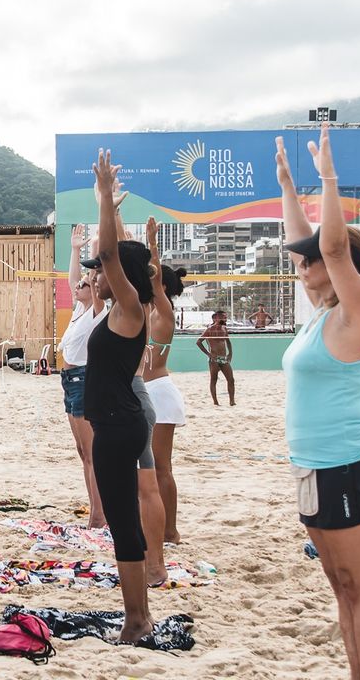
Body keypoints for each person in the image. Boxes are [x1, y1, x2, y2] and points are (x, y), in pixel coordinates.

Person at [277, 125, 360, 679]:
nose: (302, 268)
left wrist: (327, 178)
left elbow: (332, 245)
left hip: (346, 464)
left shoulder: (358, 314)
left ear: (342, 267)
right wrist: (286, 188)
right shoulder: (320, 316)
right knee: (340, 586)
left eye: (310, 262)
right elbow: (309, 243)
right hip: (313, 467)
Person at [82, 151, 157, 644]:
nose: (96, 275)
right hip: (113, 424)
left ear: (121, 278)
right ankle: (136, 613)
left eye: (101, 271)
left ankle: (137, 619)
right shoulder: (119, 309)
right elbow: (117, 253)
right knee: (121, 521)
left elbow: (114, 255)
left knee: (124, 524)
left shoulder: (129, 307)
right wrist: (108, 209)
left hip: (118, 425)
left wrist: (105, 197)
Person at [143, 218, 190, 546]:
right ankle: (159, 526)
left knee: (161, 467)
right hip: (148, 392)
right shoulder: (146, 311)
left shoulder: (164, 312)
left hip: (160, 391)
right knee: (148, 466)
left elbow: (155, 279)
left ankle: (171, 530)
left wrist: (152, 244)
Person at [58, 223, 107, 529]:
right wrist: (75, 250)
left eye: (86, 285)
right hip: (70, 381)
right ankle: (95, 509)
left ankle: (99, 515)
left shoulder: (97, 311)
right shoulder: (80, 308)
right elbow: (74, 279)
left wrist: (92, 256)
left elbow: (88, 279)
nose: (78, 287)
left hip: (83, 380)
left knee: (91, 453)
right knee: (82, 452)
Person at [196, 311, 235, 406]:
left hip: (223, 358)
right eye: (223, 317)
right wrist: (208, 354)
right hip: (214, 358)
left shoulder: (224, 329)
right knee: (214, 379)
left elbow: (228, 342)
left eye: (225, 317)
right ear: (216, 318)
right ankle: (215, 402)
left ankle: (232, 401)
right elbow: (198, 342)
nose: (224, 319)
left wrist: (230, 354)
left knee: (231, 379)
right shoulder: (209, 329)